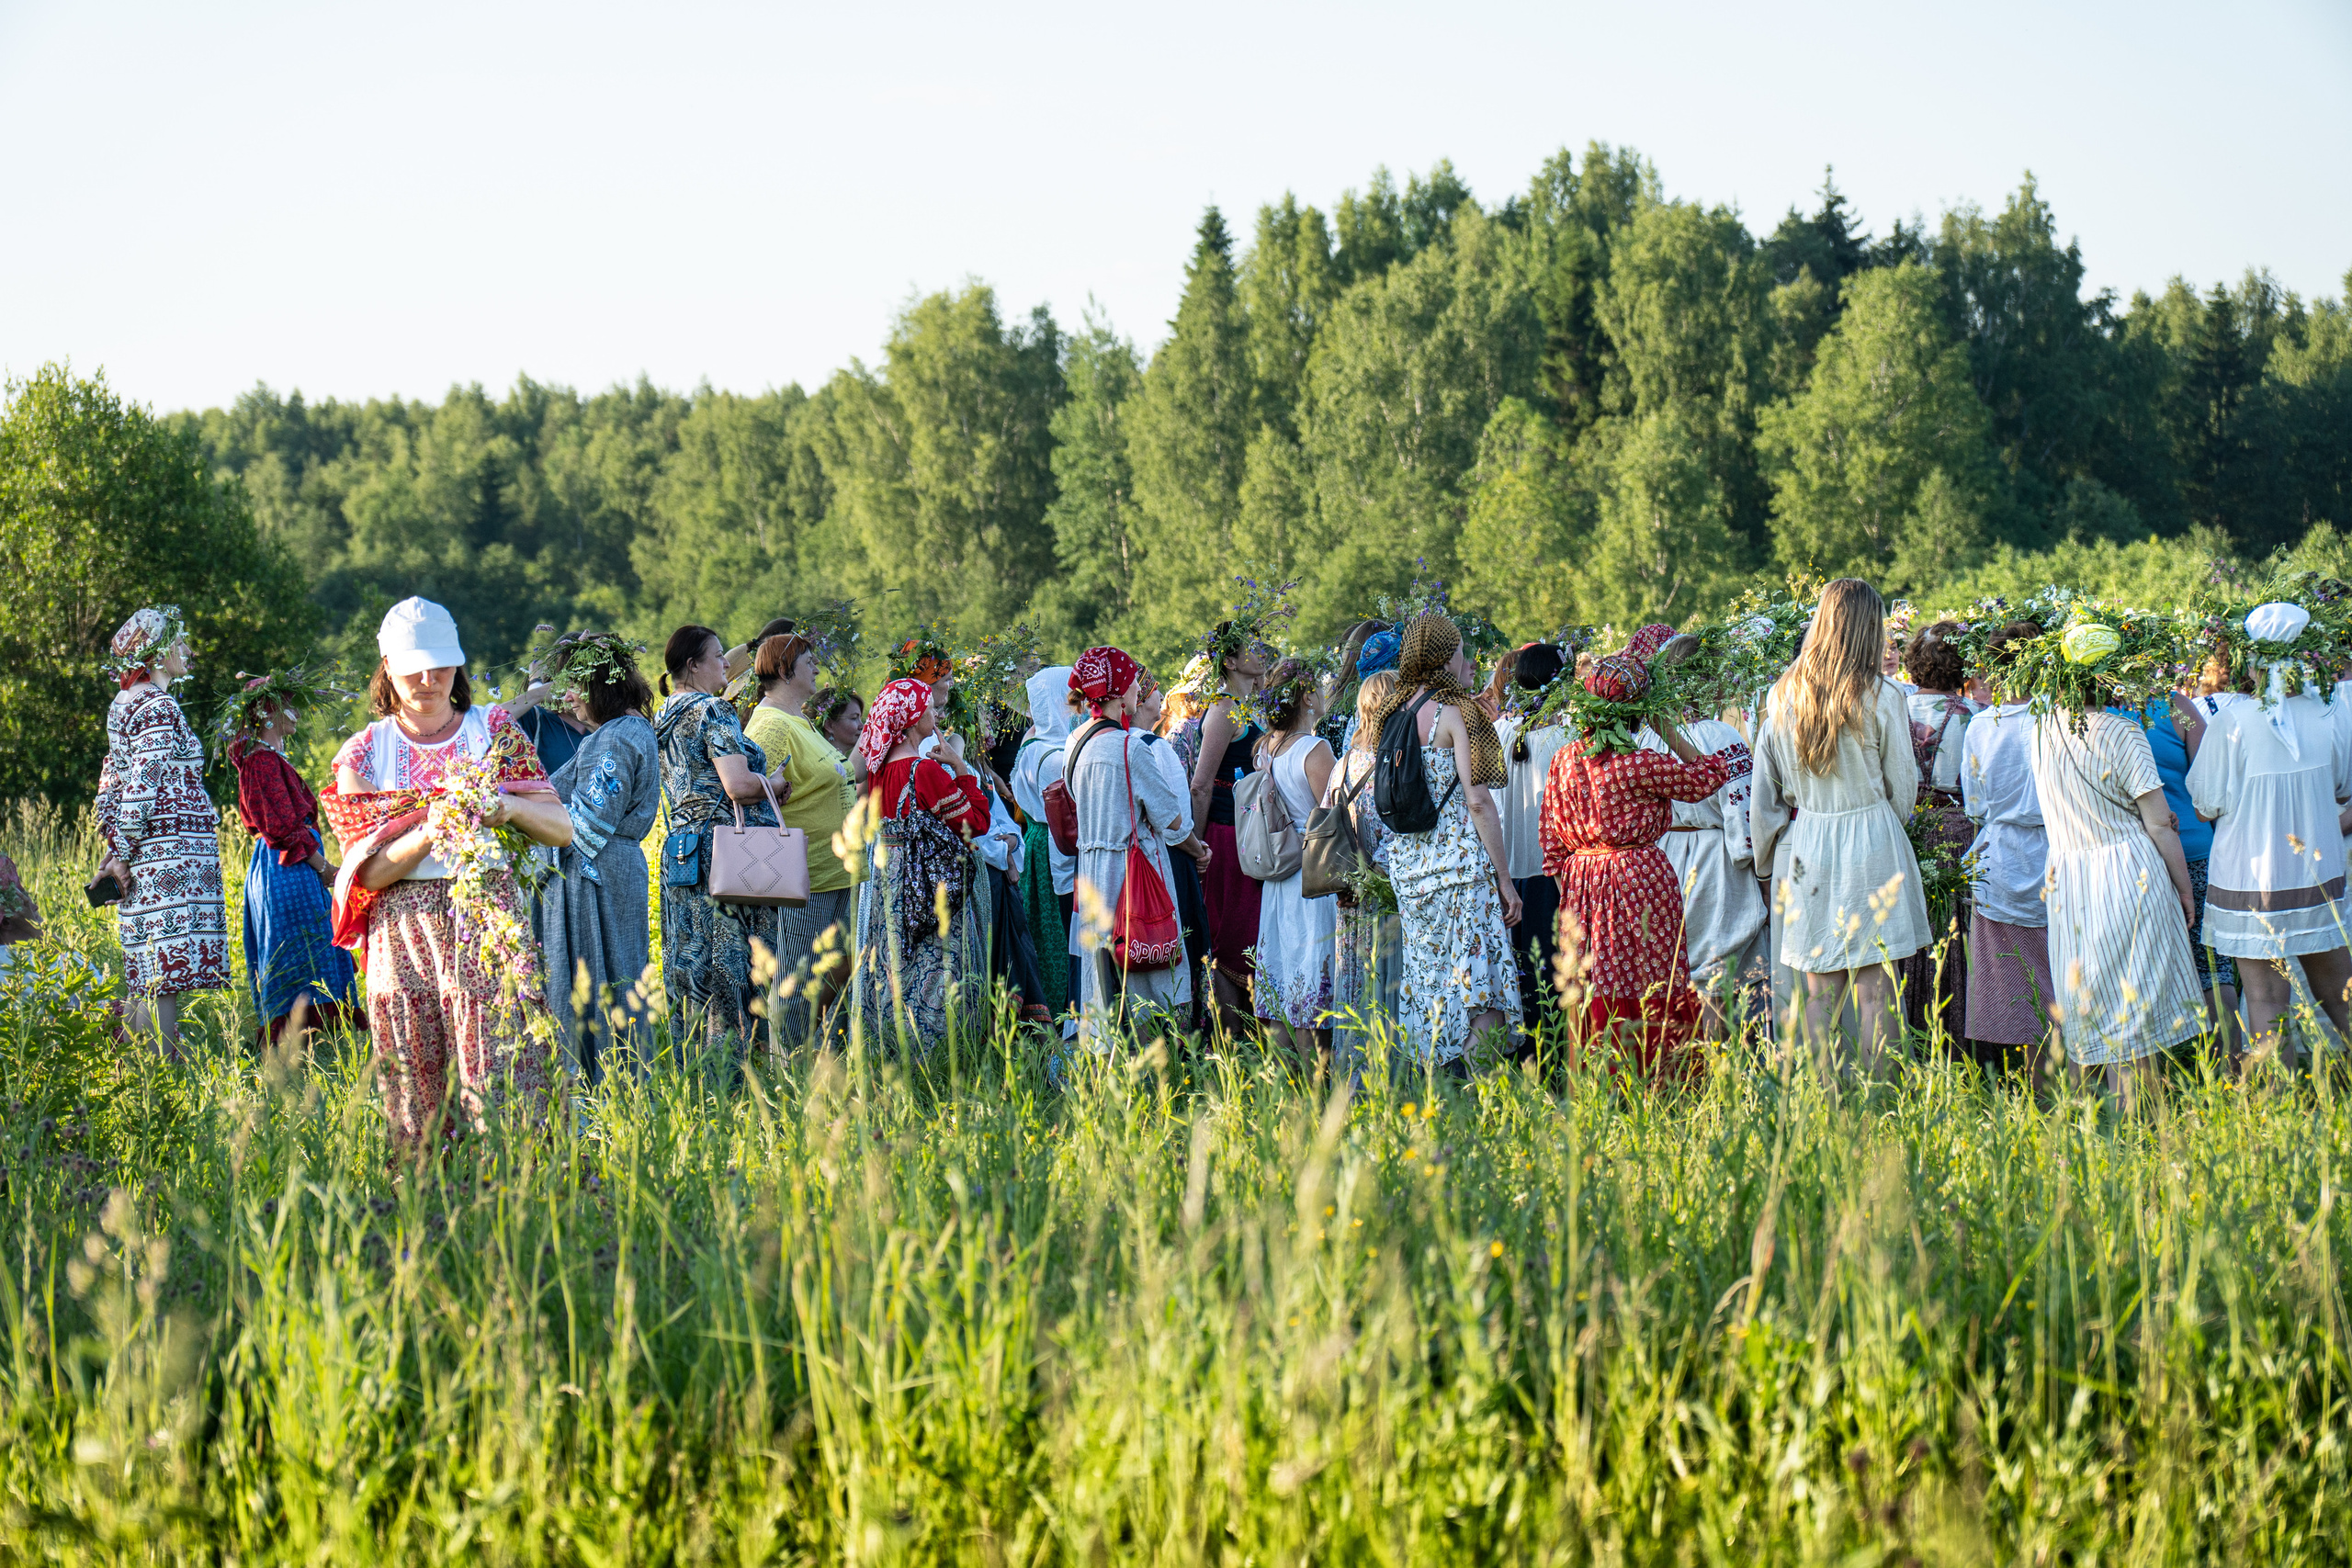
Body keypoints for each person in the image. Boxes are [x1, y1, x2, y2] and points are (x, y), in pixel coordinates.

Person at [325, 597, 573, 1147]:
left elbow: (561, 828)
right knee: (414, 1080)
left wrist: (509, 807)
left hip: (484, 914)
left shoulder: (493, 732)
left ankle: (514, 1185)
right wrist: (430, 830)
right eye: (413, 668)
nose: (428, 679)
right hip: (403, 928)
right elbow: (367, 874)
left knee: (503, 1067)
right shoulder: (365, 754)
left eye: (440, 665)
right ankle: (426, 1193)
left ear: (457, 665)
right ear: (388, 668)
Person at [1749, 579, 1930, 1079]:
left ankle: (1818, 1101)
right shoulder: (1881, 694)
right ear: (1869, 628)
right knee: (1876, 992)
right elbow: (1902, 786)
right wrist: (1883, 825)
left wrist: (1767, 861)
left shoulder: (1783, 694)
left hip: (1810, 839)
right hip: (1872, 836)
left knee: (1817, 990)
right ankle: (1878, 1101)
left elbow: (1772, 785)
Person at [1542, 628, 1734, 1082]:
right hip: (1637, 877)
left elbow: (1551, 843)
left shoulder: (1565, 759)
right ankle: (1658, 1077)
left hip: (1582, 881)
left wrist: (1574, 893)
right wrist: (1669, 729)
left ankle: (1598, 1079)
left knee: (1595, 980)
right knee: (1650, 976)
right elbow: (1710, 775)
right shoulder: (1639, 762)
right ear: (1639, 708)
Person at [2183, 604, 2352, 1071]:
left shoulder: (2233, 720)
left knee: (2265, 1001)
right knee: (2340, 993)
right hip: (2317, 876)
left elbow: (2203, 806)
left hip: (2249, 879)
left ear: (2251, 658)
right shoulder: (2331, 712)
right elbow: (2343, 788)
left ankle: (2279, 1102)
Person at [2028, 678, 2202, 1106]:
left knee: (2086, 999)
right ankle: (2139, 1123)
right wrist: (2184, 889)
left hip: (2068, 877)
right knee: (2132, 1003)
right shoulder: (2121, 729)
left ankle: (2087, 1119)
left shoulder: (2042, 728)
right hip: (2126, 869)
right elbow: (2159, 822)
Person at [1373, 615, 1521, 1072]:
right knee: (1480, 987)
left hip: (1410, 872)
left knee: (1431, 986)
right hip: (1460, 869)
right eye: (1458, 650)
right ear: (1442, 656)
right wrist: (1504, 878)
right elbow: (1478, 800)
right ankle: (1481, 1094)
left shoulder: (1391, 712)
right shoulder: (1454, 713)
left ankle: (1436, 1091)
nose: (1464, 658)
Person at [94, 606, 228, 1051]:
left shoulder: (126, 702)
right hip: (164, 854)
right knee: (161, 974)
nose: (189, 650)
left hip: (151, 851)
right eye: (180, 642)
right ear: (155, 651)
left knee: (151, 971)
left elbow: (113, 779)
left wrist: (115, 843)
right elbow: (142, 782)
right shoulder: (156, 705)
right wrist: (121, 853)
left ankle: (135, 1062)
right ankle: (161, 1069)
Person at [652, 624, 792, 1050]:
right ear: (693, 666)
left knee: (691, 960)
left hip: (682, 850)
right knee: (730, 963)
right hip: (725, 852)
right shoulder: (712, 711)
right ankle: (730, 1070)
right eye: (717, 657)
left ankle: (692, 1066)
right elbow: (737, 785)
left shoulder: (663, 715)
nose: (726, 665)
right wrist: (772, 783)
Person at [536, 632, 661, 1081]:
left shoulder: (619, 736)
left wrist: (529, 842)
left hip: (598, 870)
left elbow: (587, 823)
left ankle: (605, 1084)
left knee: (605, 973)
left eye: (575, 685)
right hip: (607, 866)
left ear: (598, 685)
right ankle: (607, 1082)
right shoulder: (614, 733)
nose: (569, 698)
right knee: (612, 972)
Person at [853, 676, 994, 1055]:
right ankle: (936, 1054)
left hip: (889, 884)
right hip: (929, 886)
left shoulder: (879, 771)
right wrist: (960, 767)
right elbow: (976, 822)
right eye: (929, 708)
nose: (935, 714)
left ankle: (891, 1048)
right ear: (913, 718)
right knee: (936, 963)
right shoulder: (924, 771)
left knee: (895, 963)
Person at [1635, 636, 1767, 1042]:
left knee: (1680, 967)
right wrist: (1758, 868)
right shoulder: (1721, 736)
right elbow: (1743, 811)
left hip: (1663, 859)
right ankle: (1719, 1060)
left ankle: (1683, 1058)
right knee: (1716, 968)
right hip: (1715, 861)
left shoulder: (1646, 738)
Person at [1066, 649, 1194, 1043]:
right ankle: (1154, 1064)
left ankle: (1105, 1065)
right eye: (1134, 682)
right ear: (1120, 693)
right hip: (1132, 874)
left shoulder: (1078, 745)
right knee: (1147, 980)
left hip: (1092, 876)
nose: (1140, 689)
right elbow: (1171, 818)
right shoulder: (1130, 748)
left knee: (1102, 986)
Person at [225, 676, 357, 1052]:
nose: (296, 713)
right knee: (299, 945)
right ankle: (297, 1041)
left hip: (292, 865)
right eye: (288, 706)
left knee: (312, 942)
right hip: (286, 866)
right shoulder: (261, 761)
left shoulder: (268, 759)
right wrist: (323, 867)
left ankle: (320, 1040)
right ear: (268, 714)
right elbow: (282, 828)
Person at [742, 632, 860, 1042]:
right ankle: (787, 1066)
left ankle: (827, 1061)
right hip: (805, 877)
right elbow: (751, 795)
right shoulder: (772, 725)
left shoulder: (799, 720)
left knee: (837, 977)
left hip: (836, 870)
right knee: (796, 982)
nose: (817, 668)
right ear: (784, 670)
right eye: (809, 662)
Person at [1959, 624, 2056, 1077]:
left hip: (2000, 854)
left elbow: (1975, 803)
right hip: (2055, 849)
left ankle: (2037, 1084)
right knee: (2064, 974)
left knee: (2018, 983)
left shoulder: (1983, 724)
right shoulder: (2057, 717)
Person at [1249, 658, 1337, 1060]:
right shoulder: (1313, 750)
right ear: (1306, 696)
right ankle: (1316, 1082)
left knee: (1285, 976)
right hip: (1312, 873)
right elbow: (1333, 816)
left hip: (1278, 874)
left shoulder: (1266, 748)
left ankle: (1281, 1083)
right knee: (1310, 970)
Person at [1187, 630, 1271, 1035]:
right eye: (1251, 647)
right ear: (1231, 662)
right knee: (1230, 936)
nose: (1262, 652)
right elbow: (1201, 785)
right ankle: (1229, 1042)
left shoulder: (1251, 705)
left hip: (1253, 834)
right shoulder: (1223, 710)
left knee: (1251, 932)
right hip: (1226, 836)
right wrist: (1198, 846)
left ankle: (1252, 1036)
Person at [1899, 620, 1977, 1045]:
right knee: (1959, 930)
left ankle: (1913, 1027)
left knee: (1914, 929)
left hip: (1907, 830)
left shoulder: (1894, 710)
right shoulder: (1976, 716)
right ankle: (1965, 1032)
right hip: (1960, 832)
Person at [1328, 671, 1402, 1072]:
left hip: (1349, 894)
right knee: (1388, 980)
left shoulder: (1342, 765)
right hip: (1385, 892)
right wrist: (1376, 869)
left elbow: (1326, 821)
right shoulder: (1396, 761)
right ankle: (1386, 1076)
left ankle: (1351, 1078)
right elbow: (1402, 831)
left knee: (1353, 981)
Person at [1495, 644, 1570, 1033]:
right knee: (1552, 982)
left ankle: (1523, 1057)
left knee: (1519, 981)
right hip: (1550, 874)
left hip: (1507, 873)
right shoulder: (1565, 738)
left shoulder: (1500, 733)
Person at [1011, 666, 1078, 1021]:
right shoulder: (1053, 757)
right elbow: (1065, 819)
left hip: (1038, 841)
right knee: (1056, 934)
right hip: (1054, 847)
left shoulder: (1033, 745)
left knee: (1042, 930)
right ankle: (1061, 1013)